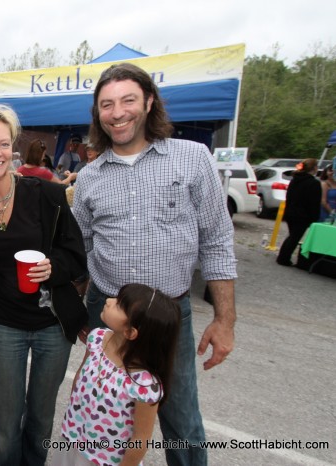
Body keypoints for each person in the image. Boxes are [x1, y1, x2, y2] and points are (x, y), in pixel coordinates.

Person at [73, 63, 237, 466]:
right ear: (98, 113)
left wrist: (225, 321)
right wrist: (77, 307)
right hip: (106, 311)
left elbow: (217, 240)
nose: (118, 112)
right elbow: (80, 249)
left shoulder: (193, 159)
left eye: (128, 100)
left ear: (148, 101)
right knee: (101, 409)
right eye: (107, 104)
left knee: (181, 419)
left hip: (169, 316)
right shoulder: (90, 177)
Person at [0, 105, 88, 466]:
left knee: (40, 416)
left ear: (13, 147)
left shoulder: (46, 194)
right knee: (5, 418)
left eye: (3, 144)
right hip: (6, 325)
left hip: (52, 325)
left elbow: (77, 254)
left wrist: (54, 267)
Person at [53, 284, 181, 466]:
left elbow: (141, 437)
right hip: (73, 439)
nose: (109, 301)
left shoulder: (144, 385)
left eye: (120, 305)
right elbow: (80, 378)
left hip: (106, 460)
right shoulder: (96, 339)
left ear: (130, 332)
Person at [276, 159, 322, 266]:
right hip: (303, 215)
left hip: (291, 211)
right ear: (314, 168)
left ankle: (283, 256)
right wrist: (314, 217)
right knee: (294, 237)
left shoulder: (295, 180)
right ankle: (283, 258)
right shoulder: (314, 183)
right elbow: (314, 202)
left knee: (292, 235)